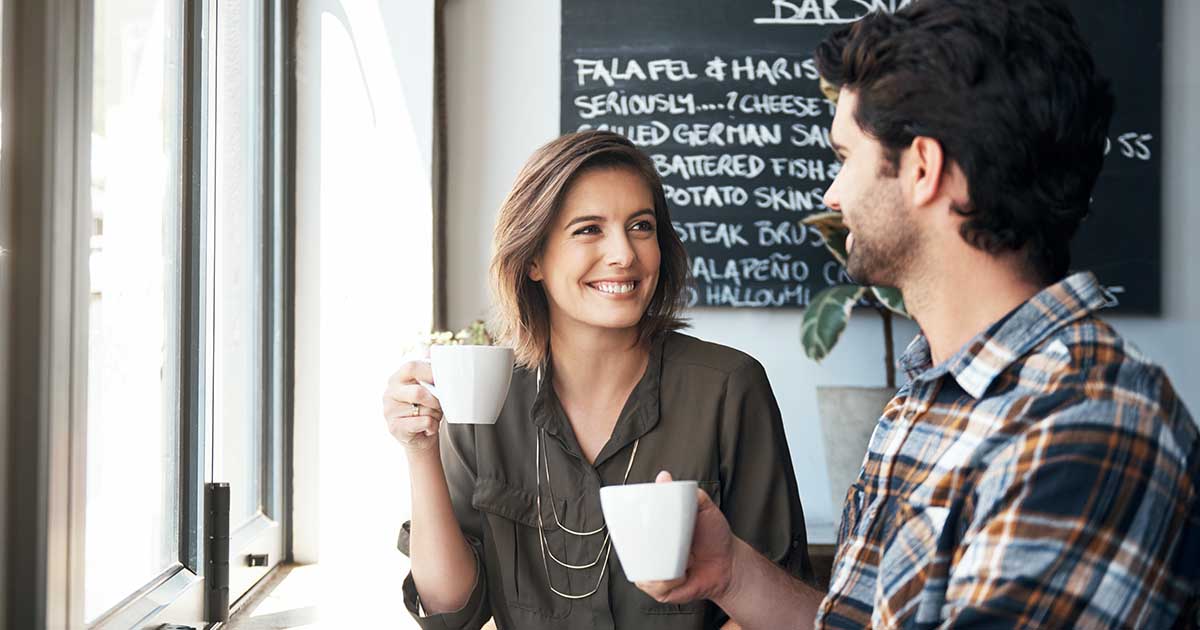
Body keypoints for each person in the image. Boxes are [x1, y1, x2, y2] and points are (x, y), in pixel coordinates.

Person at [636, 0, 1200, 628]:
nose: (832, 194)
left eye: (846, 156)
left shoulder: (1084, 425)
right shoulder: (930, 396)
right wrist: (733, 573)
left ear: (923, 169)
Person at [382, 130, 814, 630]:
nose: (624, 255)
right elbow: (452, 607)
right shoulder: (486, 395)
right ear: (534, 259)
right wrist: (419, 452)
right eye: (589, 229)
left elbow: (774, 606)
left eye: (641, 226)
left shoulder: (729, 387)